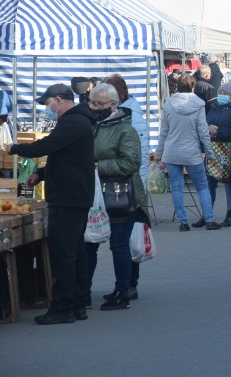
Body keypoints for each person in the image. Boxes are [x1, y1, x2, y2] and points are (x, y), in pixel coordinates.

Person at [6, 84, 95, 324]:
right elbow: (65, 157)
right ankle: (77, 305)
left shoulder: (74, 122)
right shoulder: (77, 121)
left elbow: (45, 147)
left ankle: (63, 308)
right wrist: (42, 174)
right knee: (74, 253)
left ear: (58, 100)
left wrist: (13, 148)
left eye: (48, 104)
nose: (48, 109)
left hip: (68, 197)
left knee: (64, 255)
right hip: (73, 194)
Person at [85, 83, 147, 311]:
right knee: (89, 243)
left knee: (119, 245)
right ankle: (84, 292)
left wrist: (98, 166)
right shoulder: (93, 125)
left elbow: (131, 162)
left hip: (120, 194)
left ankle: (123, 292)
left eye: (99, 104)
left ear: (113, 104)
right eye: (92, 102)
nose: (93, 107)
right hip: (95, 195)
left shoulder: (125, 129)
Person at [155, 75, 221, 231]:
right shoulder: (198, 105)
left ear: (177, 86)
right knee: (202, 186)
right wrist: (210, 153)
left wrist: (159, 152)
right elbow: (203, 132)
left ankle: (182, 222)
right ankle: (209, 219)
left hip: (171, 152)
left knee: (177, 187)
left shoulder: (169, 104)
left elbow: (163, 131)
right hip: (192, 152)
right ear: (193, 87)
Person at [192, 82, 231, 228]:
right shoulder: (214, 108)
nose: (221, 96)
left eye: (225, 94)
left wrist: (218, 131)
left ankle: (230, 215)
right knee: (209, 182)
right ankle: (207, 215)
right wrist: (208, 129)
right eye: (220, 93)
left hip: (228, 151)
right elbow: (204, 124)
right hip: (212, 150)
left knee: (229, 183)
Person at [103, 74, 150, 188]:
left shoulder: (134, 119)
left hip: (127, 185)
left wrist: (141, 188)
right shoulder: (111, 115)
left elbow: (141, 159)